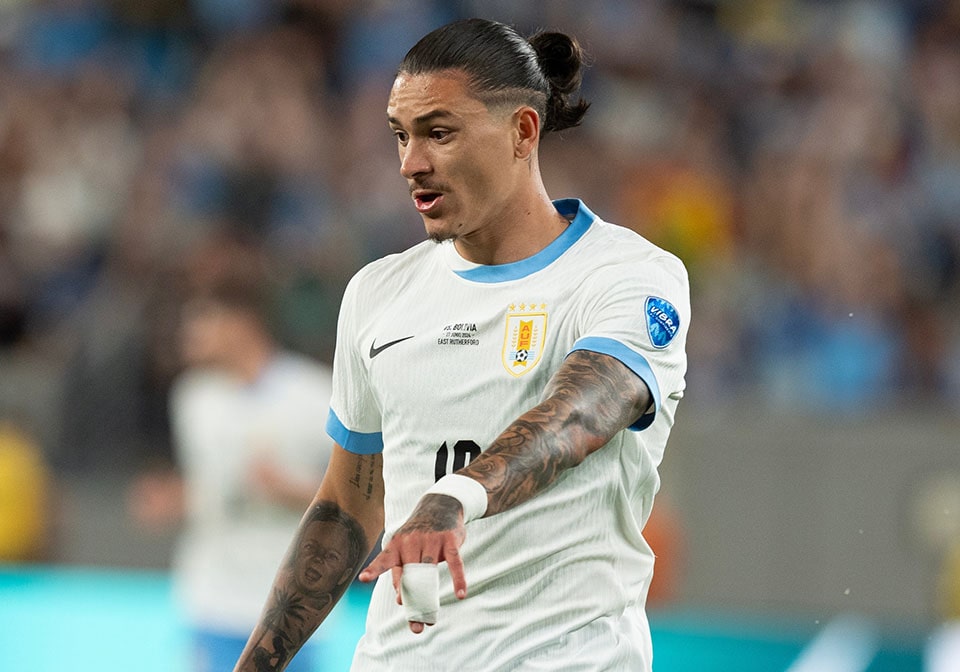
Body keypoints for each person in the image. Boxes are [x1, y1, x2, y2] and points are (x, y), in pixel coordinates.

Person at [234, 17, 689, 672]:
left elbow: (582, 410)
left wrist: (458, 495)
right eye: (401, 135)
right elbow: (348, 504)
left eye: (439, 133)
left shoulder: (626, 274)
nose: (410, 163)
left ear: (523, 132)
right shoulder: (377, 294)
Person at [130, 249, 335, 672]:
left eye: (201, 319)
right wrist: (174, 499)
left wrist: (291, 491)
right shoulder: (193, 398)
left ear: (241, 322)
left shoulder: (316, 395)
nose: (188, 333)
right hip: (213, 600)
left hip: (294, 607)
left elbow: (357, 496)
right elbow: (208, 487)